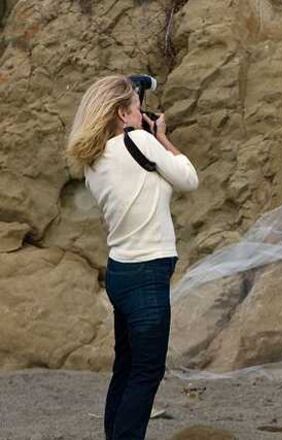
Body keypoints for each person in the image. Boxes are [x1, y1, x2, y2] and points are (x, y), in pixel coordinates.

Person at [66, 75, 199, 439]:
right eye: (138, 110)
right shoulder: (140, 141)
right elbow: (189, 179)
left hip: (121, 273)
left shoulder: (92, 161)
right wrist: (162, 137)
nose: (144, 116)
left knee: (125, 369)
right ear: (123, 114)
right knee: (146, 372)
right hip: (147, 276)